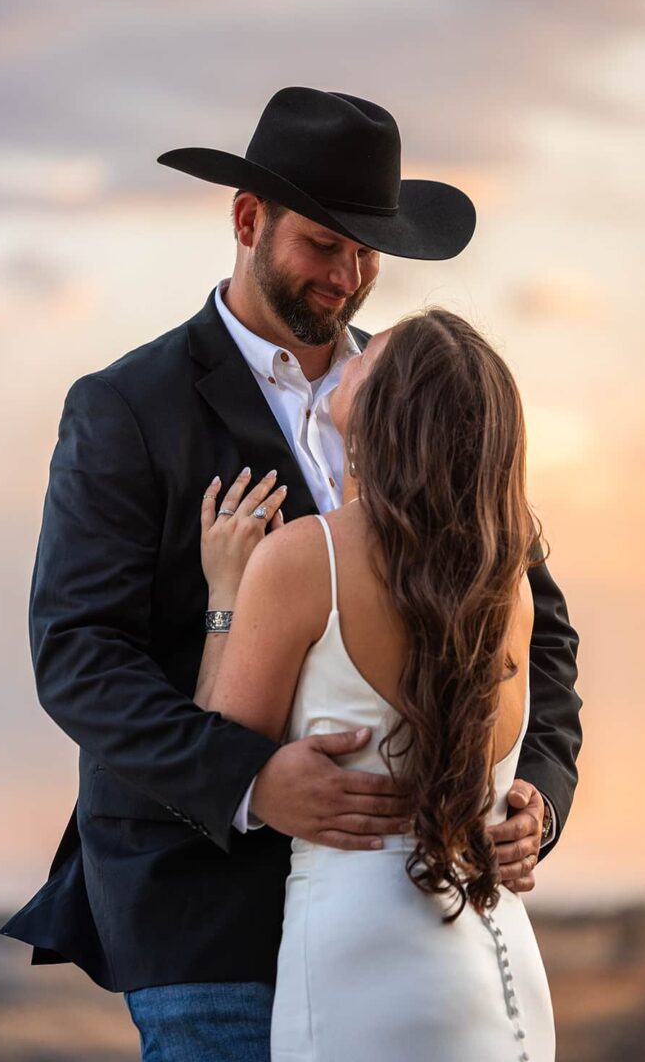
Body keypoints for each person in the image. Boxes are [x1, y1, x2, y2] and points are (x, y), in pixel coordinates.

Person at [0, 87, 581, 1062]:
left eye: (368, 250)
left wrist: (542, 791)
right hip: (204, 907)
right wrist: (251, 781)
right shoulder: (126, 409)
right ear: (245, 220)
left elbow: (536, 626)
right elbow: (78, 655)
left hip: (410, 908)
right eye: (324, 243)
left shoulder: (430, 403)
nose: (349, 275)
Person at [196, 309, 558, 1060]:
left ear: (384, 408)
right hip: (503, 957)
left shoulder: (305, 559)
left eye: (373, 354)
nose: (352, 350)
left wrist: (225, 593)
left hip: (364, 955)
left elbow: (219, 747)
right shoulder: (510, 585)